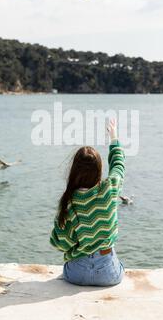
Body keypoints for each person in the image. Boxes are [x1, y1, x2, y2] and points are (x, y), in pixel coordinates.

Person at [50, 119, 125, 286]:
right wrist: (113, 137)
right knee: (121, 266)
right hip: (108, 272)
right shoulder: (109, 189)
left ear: (74, 171)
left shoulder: (69, 201)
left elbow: (60, 243)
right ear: (99, 170)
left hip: (77, 273)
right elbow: (119, 165)